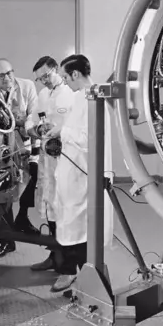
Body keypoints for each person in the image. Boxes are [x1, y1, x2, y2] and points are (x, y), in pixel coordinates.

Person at [43, 53, 114, 293]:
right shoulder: (82, 97)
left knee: (82, 231)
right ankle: (77, 278)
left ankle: (90, 286)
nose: (65, 81)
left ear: (75, 74)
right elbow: (75, 127)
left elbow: (88, 138)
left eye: (66, 76)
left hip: (82, 176)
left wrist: (62, 134)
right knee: (71, 224)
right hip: (71, 173)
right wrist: (58, 129)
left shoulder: (93, 98)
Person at [0, 58, 39, 259]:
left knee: (32, 175)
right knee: (2, 188)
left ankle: (23, 218)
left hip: (25, 141)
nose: (7, 78)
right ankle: (7, 241)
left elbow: (33, 114)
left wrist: (22, 125)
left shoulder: (27, 86)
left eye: (9, 73)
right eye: (1, 75)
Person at [28, 56, 75, 272]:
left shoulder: (71, 95)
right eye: (40, 79)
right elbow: (32, 119)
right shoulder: (43, 94)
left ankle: (67, 266)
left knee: (64, 212)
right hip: (47, 159)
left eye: (46, 76)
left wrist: (59, 133)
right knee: (49, 208)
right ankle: (54, 256)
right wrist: (35, 129)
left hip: (65, 160)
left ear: (56, 69)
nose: (44, 81)